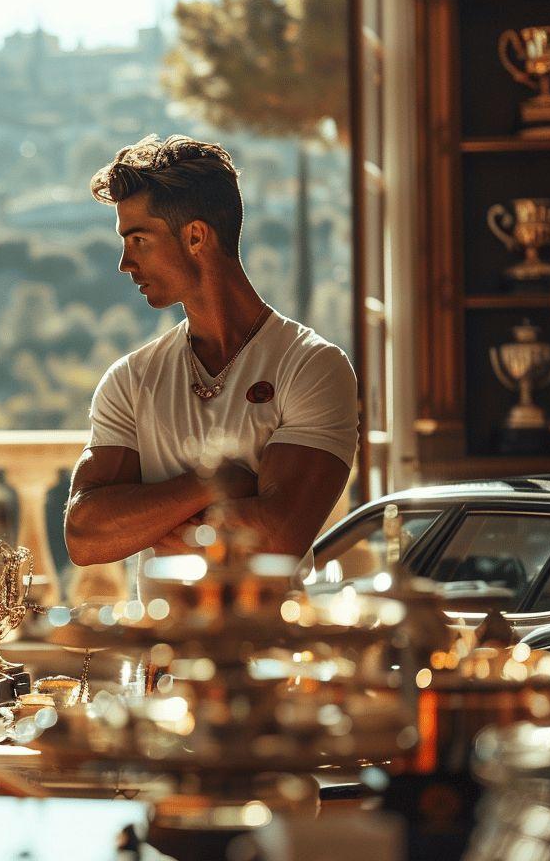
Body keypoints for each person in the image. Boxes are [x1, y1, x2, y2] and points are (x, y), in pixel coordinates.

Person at [63, 134, 358, 579]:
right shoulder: (130, 379)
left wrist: (153, 525)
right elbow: (84, 536)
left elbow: (278, 541)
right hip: (159, 648)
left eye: (139, 239)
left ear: (196, 236)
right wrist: (211, 483)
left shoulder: (312, 366)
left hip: (274, 646)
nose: (125, 262)